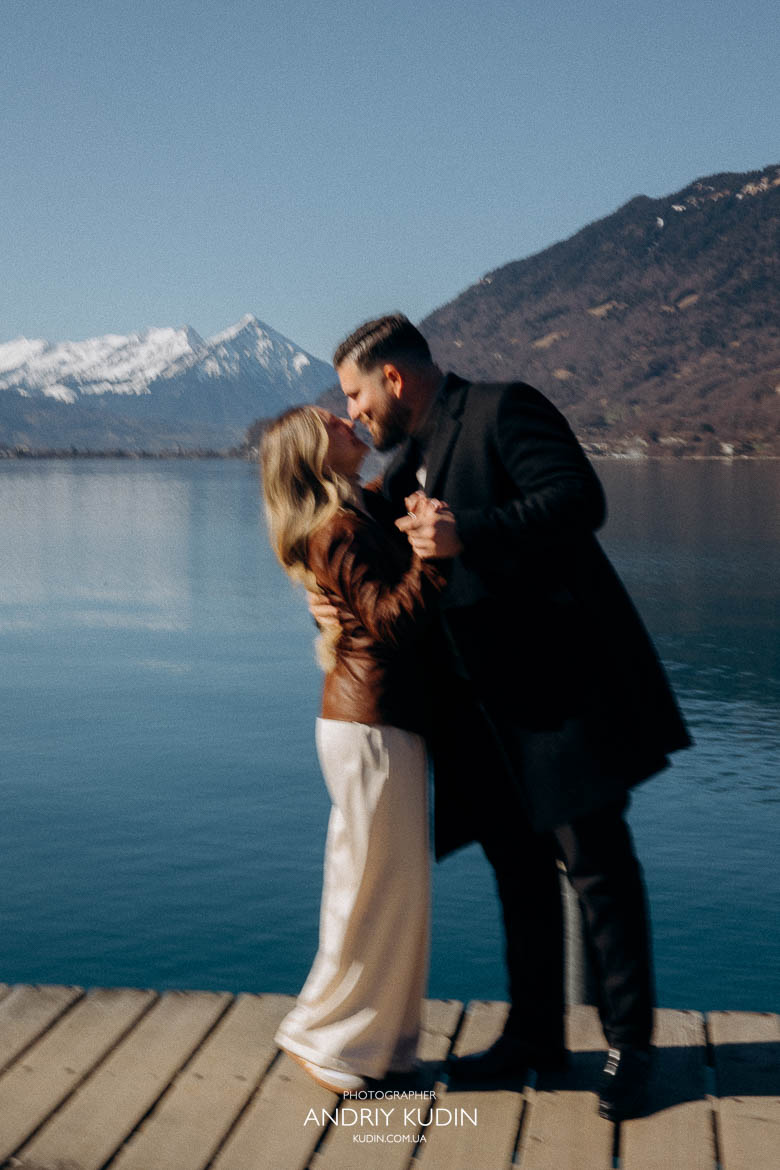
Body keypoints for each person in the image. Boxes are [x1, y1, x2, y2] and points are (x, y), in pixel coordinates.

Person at [312, 313, 691, 1120]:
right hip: (479, 707)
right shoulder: (403, 461)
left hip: (560, 692)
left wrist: (468, 531)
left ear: (395, 378)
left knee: (598, 869)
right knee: (516, 871)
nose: (355, 412)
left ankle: (630, 1049)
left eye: (356, 393)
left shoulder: (501, 408)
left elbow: (579, 501)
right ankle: (535, 1036)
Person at [260, 404, 447, 1094]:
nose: (346, 419)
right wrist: (435, 558)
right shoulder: (335, 529)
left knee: (389, 889)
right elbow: (392, 622)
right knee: (372, 888)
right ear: (314, 450)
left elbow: (396, 488)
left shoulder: (359, 509)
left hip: (379, 722)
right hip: (369, 725)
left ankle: (382, 1048)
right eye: (330, 422)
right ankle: (330, 1043)